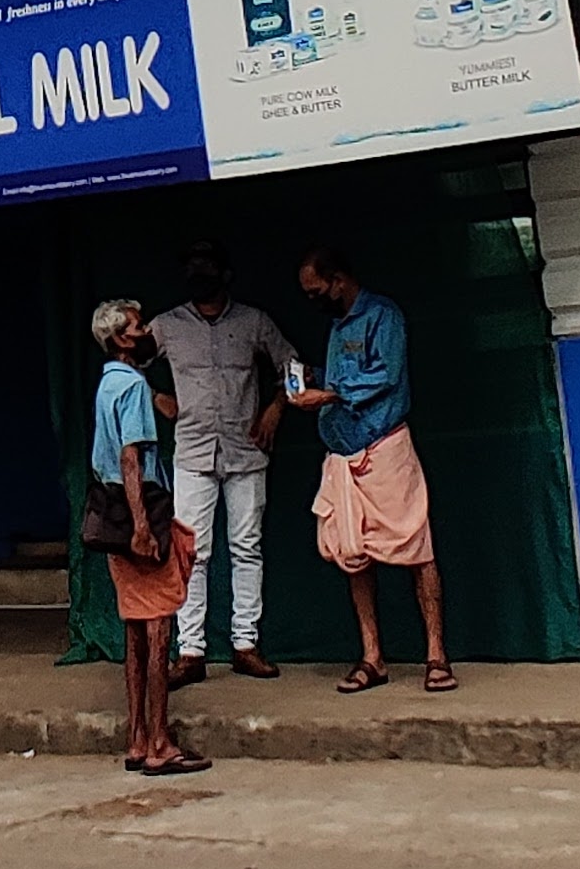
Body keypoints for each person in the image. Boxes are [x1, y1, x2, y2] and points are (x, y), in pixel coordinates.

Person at [285, 249, 450, 694]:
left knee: (416, 546)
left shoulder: (383, 315)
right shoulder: (336, 326)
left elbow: (387, 375)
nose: (313, 300)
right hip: (342, 452)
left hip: (385, 447)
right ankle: (372, 656)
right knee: (352, 553)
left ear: (338, 280)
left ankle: (436, 655)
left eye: (316, 291)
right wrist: (309, 380)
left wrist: (329, 394)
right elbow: (339, 377)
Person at [147, 246, 287, 686]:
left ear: (226, 274)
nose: (199, 276)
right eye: (192, 269)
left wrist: (275, 408)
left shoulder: (254, 321)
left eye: (206, 269)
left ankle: (245, 645)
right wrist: (155, 397)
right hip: (192, 451)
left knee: (246, 546)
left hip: (245, 450)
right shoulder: (167, 325)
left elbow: (292, 365)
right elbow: (125, 362)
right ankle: (191, 652)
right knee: (193, 552)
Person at [88, 298, 205, 777]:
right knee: (158, 627)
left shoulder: (106, 385)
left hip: (109, 512)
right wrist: (142, 525)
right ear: (121, 338)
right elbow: (131, 457)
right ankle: (159, 740)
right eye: (137, 326)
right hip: (139, 512)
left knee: (136, 627)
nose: (145, 331)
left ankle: (138, 737)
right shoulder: (133, 386)